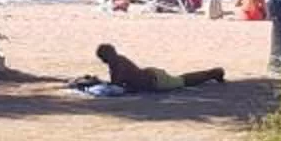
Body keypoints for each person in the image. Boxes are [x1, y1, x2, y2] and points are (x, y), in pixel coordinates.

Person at [95, 43, 224, 93]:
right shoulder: (117, 61)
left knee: (184, 81)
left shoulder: (118, 64)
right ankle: (213, 73)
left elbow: (116, 84)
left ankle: (214, 73)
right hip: (151, 76)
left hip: (155, 81)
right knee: (182, 79)